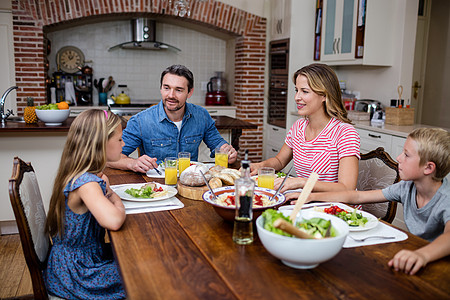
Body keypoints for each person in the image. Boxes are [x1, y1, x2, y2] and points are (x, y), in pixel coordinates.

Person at [307, 127, 450, 275]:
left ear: (428, 167)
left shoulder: (446, 198)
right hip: (414, 257)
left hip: (436, 264)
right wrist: (311, 197)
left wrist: (422, 255)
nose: (399, 158)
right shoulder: (406, 188)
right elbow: (358, 197)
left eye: (406, 155)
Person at [44, 110, 126, 299]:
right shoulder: (87, 184)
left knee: (137, 260)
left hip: (80, 259)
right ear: (101, 144)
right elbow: (114, 221)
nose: (124, 144)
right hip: (77, 272)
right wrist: (114, 198)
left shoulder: (83, 174)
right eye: (120, 140)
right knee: (141, 273)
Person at [251, 63, 360, 196]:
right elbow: (279, 161)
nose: (297, 97)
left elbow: (347, 188)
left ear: (324, 95)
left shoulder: (344, 133)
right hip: (303, 201)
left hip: (334, 208)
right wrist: (259, 166)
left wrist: (302, 182)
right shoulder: (298, 127)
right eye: (296, 90)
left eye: (305, 91)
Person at [108, 64, 237, 173]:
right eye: (166, 88)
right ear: (161, 88)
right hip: (157, 188)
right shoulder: (141, 121)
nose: (171, 95)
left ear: (189, 92)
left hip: (190, 184)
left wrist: (228, 152)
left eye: (179, 90)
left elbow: (219, 146)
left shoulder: (201, 116)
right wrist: (132, 163)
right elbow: (110, 159)